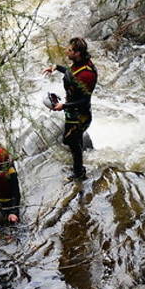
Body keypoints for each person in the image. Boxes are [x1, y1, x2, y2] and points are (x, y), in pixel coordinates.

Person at [43, 37, 98, 181]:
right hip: (73, 113)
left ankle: (79, 172)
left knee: (70, 141)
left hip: (80, 115)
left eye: (70, 50)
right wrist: (56, 67)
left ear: (78, 53)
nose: (67, 51)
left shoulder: (87, 74)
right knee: (74, 141)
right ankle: (79, 168)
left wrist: (64, 106)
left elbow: (84, 99)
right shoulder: (78, 64)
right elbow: (71, 73)